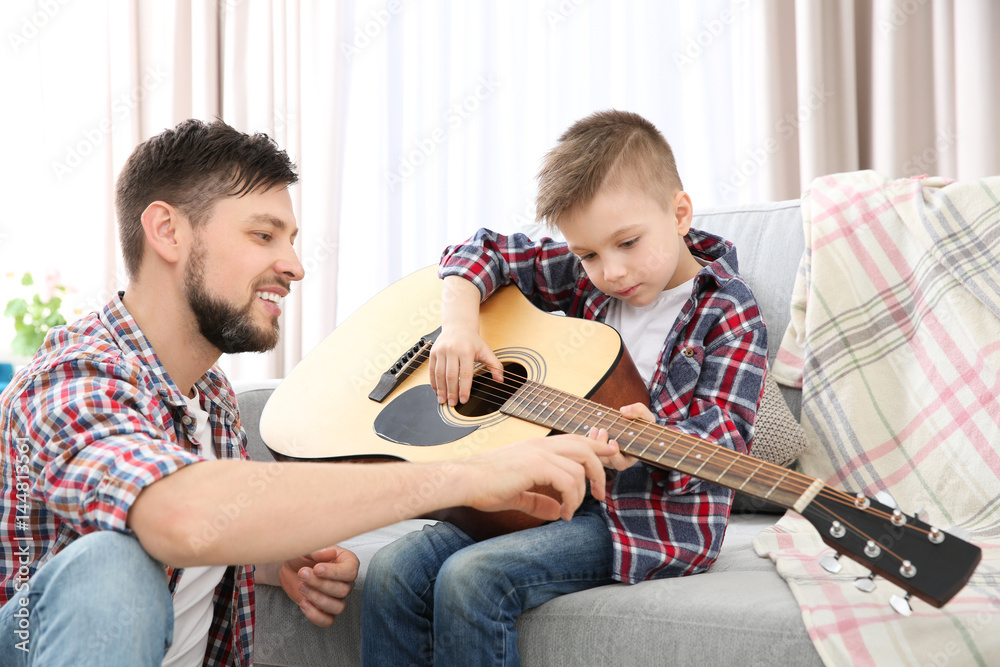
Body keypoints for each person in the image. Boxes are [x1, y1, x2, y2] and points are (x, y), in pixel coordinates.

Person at [0, 119, 617, 667]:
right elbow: (178, 514)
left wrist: (261, 562)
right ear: (167, 231)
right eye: (264, 236)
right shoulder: (72, 378)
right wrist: (466, 474)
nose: (295, 264)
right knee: (111, 568)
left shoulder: (209, 396)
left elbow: (202, 530)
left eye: (291, 239)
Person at [360, 109, 769, 665]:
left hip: (643, 518)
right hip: (545, 494)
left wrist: (655, 439)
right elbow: (481, 249)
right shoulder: (586, 278)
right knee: (390, 573)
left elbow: (727, 441)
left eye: (627, 242)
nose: (612, 271)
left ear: (679, 213)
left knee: (472, 577)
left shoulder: (729, 311)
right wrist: (458, 327)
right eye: (589, 254)